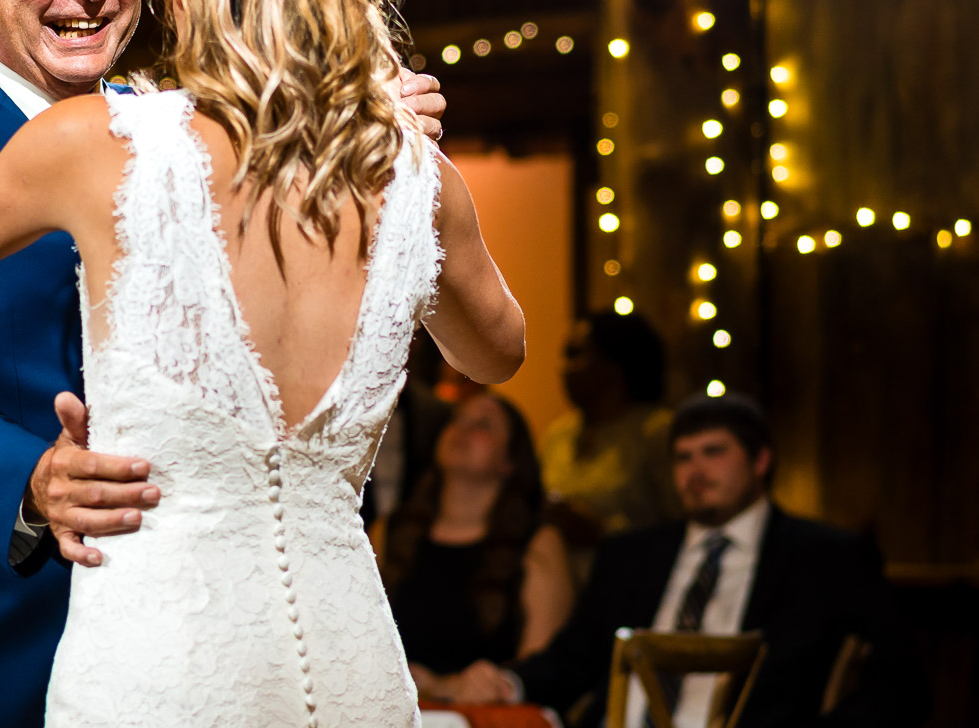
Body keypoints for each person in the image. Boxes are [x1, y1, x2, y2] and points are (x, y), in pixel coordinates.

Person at [0, 0, 525, 726]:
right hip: (337, 653)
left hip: (165, 656)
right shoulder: (416, 174)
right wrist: (359, 117)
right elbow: (496, 351)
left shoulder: (109, 137)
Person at [451, 392, 927, 728]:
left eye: (713, 453)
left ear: (761, 461)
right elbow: (574, 659)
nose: (694, 473)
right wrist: (508, 681)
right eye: (682, 458)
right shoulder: (632, 555)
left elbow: (902, 686)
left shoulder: (827, 557)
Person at [384, 389, 573, 697]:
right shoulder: (391, 530)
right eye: (456, 419)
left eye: (483, 425)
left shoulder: (537, 542)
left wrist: (444, 686)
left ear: (510, 460)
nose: (462, 430)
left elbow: (540, 670)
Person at [540, 310, 677, 579]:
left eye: (575, 354)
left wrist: (604, 531)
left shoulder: (656, 433)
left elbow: (681, 525)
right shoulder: (558, 434)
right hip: (558, 586)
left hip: (633, 585)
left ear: (613, 365)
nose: (563, 367)